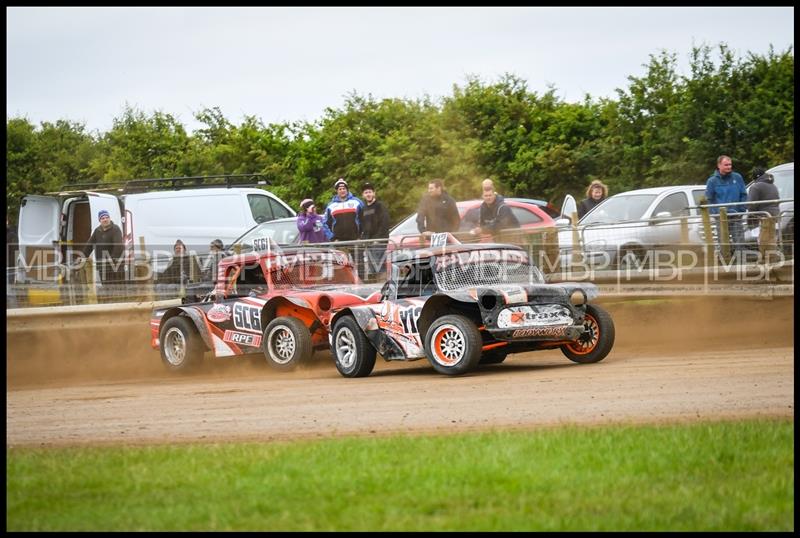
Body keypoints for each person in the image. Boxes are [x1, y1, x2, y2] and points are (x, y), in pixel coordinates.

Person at [705, 155, 747, 256]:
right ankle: (726, 264)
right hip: (721, 218)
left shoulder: (737, 177)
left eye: (730, 164)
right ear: (719, 165)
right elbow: (708, 199)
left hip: (736, 215)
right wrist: (715, 213)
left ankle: (741, 265)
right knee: (724, 243)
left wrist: (741, 210)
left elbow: (743, 194)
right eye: (726, 165)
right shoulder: (712, 181)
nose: (729, 167)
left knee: (739, 242)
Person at [81, 209, 124, 284]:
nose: (105, 220)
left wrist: (112, 259)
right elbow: (90, 244)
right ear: (99, 220)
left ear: (109, 218)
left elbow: (118, 246)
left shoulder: (115, 229)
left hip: (115, 265)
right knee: (105, 284)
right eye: (103, 218)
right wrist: (83, 256)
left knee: (115, 285)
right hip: (102, 264)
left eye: (107, 217)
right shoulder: (97, 231)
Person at [360, 182, 391, 276]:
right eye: (366, 192)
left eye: (370, 192)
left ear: (374, 193)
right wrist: (364, 240)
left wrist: (377, 239)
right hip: (368, 243)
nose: (368, 194)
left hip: (379, 242)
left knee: (380, 267)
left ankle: (383, 287)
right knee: (372, 269)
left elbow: (384, 224)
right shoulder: (363, 209)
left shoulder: (380, 206)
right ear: (363, 195)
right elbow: (363, 226)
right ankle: (376, 288)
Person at [7, 217, 19, 285]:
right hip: (11, 263)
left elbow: (15, 249)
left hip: (11, 263)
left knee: (10, 281)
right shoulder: (13, 234)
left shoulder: (12, 235)